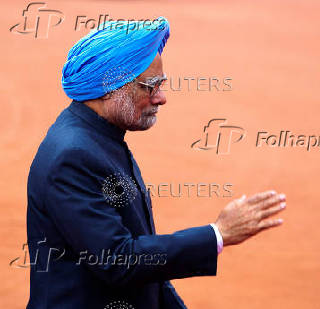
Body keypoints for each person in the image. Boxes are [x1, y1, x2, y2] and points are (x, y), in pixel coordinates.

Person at [26, 17, 286, 309]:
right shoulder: (72, 157)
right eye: (149, 86)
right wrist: (217, 234)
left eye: (160, 85)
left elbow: (139, 255)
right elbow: (118, 261)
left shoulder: (100, 138)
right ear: (111, 86)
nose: (161, 98)